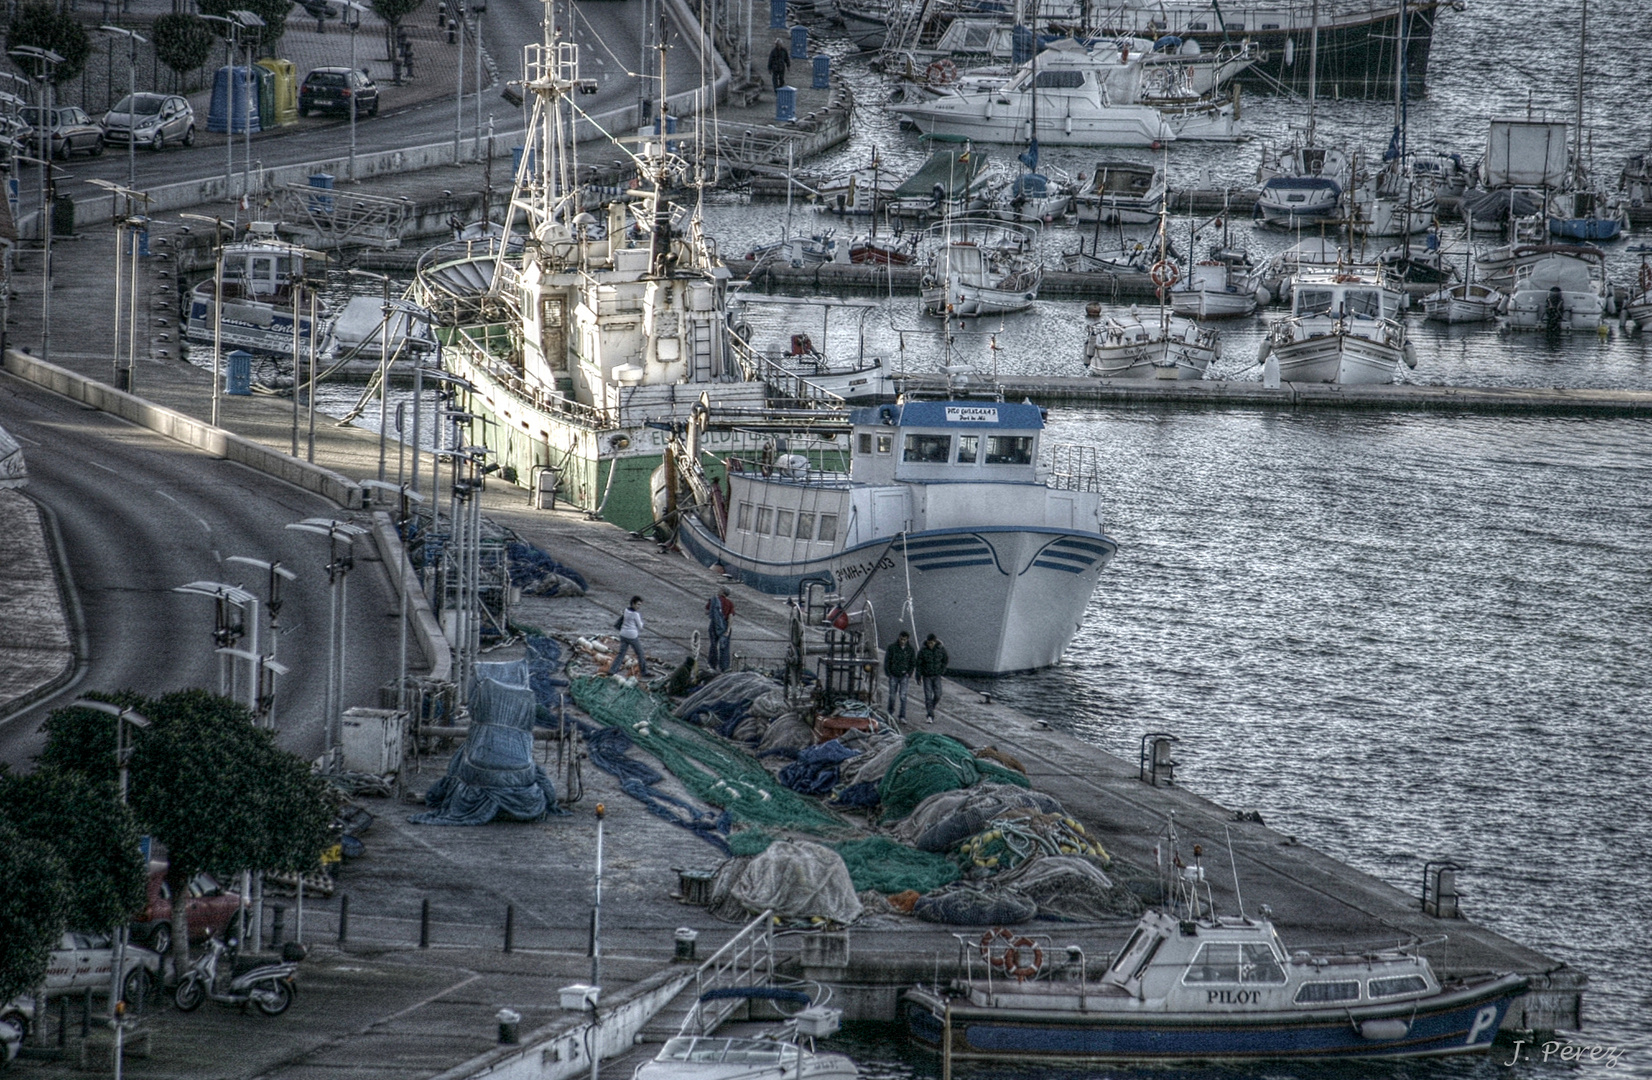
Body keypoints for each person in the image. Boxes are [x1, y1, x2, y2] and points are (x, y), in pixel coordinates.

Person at [611, 596, 648, 677]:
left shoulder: (626, 610)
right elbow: (640, 627)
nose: (639, 607)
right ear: (633, 603)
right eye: (638, 604)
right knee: (640, 653)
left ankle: (612, 670)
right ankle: (644, 672)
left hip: (623, 634)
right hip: (632, 636)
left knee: (621, 654)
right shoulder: (635, 614)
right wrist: (642, 623)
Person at [884, 630, 915, 721]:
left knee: (903, 696)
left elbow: (912, 662)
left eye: (904, 639)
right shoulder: (892, 647)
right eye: (901, 639)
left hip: (904, 675)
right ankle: (890, 712)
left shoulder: (910, 650)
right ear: (899, 637)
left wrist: (909, 673)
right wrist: (888, 673)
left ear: (907, 639)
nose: (902, 641)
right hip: (893, 675)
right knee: (892, 696)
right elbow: (887, 661)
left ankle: (902, 716)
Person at [917, 633, 949, 722]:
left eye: (932, 643)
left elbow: (945, 660)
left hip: (937, 675)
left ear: (935, 642)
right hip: (927, 676)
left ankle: (931, 707)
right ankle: (930, 715)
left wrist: (942, 670)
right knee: (928, 696)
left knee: (938, 694)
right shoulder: (923, 651)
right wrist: (918, 675)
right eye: (929, 643)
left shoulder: (941, 649)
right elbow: (919, 663)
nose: (930, 645)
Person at [707, 586, 734, 672]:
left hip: (714, 625)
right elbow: (730, 616)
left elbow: (707, 611)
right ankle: (724, 667)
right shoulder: (730, 603)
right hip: (725, 625)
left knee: (713, 645)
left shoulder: (713, 600)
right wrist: (728, 629)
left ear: (722, 592)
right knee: (725, 647)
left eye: (719, 590)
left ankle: (712, 665)